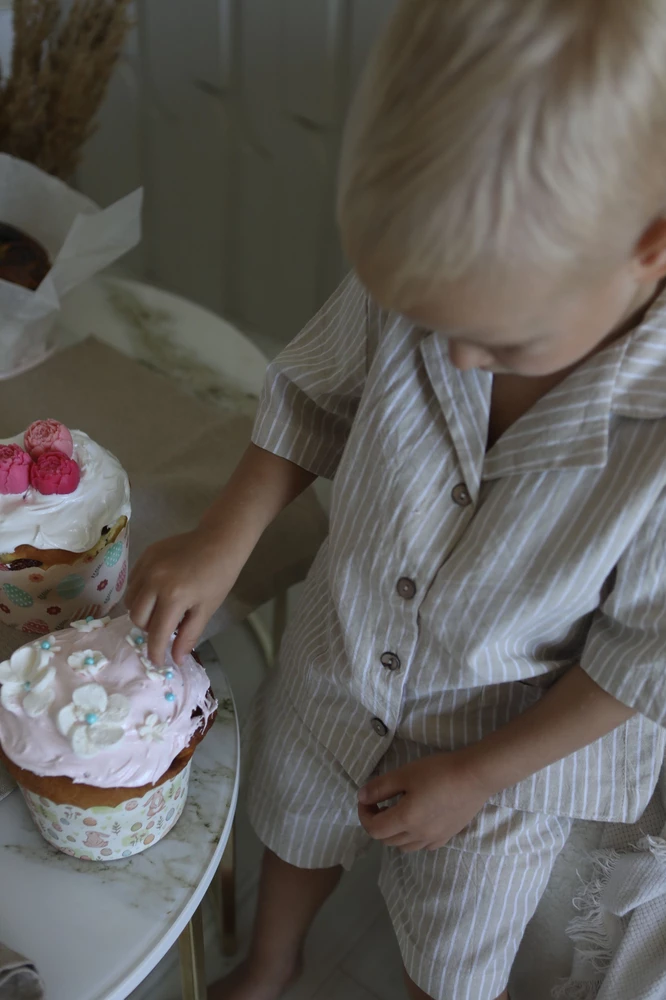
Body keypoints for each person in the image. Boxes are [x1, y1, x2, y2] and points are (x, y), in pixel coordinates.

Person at [126, 2, 666, 997]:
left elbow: (642, 659)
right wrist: (226, 532)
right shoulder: (440, 273)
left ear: (649, 247)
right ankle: (276, 959)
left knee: (461, 940)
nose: (454, 359)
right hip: (344, 651)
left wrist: (482, 775)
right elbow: (313, 391)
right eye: (428, 322)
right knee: (294, 811)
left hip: (507, 742)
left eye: (500, 345)